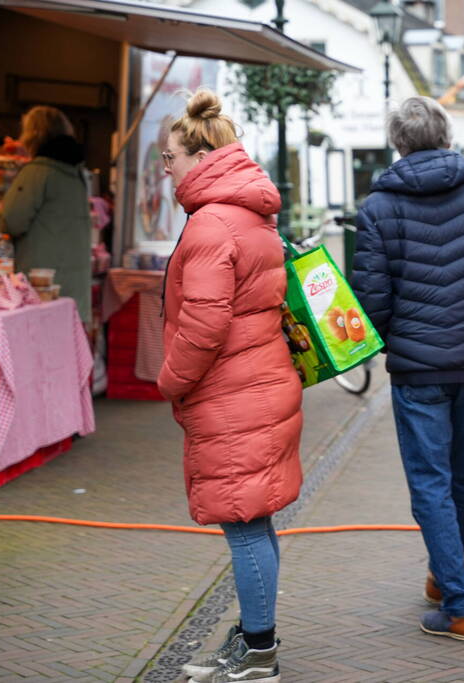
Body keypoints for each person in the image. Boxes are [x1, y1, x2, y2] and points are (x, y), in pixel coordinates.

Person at [352, 96, 464, 642]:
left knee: (430, 483)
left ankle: (459, 604)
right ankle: (445, 574)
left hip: (418, 370)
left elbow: (371, 295)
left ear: (398, 143)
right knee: (461, 476)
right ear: (448, 136)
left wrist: (396, 339)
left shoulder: (378, 208)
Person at [158, 88, 302, 683]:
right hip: (258, 383)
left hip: (232, 395)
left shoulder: (210, 224)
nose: (165, 168)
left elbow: (204, 324)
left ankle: (260, 651)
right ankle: (254, 635)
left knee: (243, 524)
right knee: (254, 519)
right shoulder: (248, 213)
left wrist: (170, 381)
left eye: (169, 157)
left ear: (200, 157)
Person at [0, 106, 92, 323]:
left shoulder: (37, 172)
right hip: (73, 288)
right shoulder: (77, 174)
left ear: (33, 134)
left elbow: (10, 222)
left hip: (41, 286)